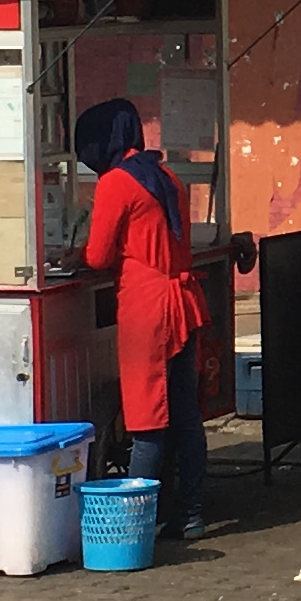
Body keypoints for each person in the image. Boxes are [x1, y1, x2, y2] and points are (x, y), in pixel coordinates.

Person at [75, 95, 211, 541]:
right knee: (185, 415)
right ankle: (189, 513)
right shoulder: (166, 175)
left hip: (147, 308)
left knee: (147, 418)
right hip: (183, 301)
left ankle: (136, 522)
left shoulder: (116, 183)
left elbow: (97, 255)